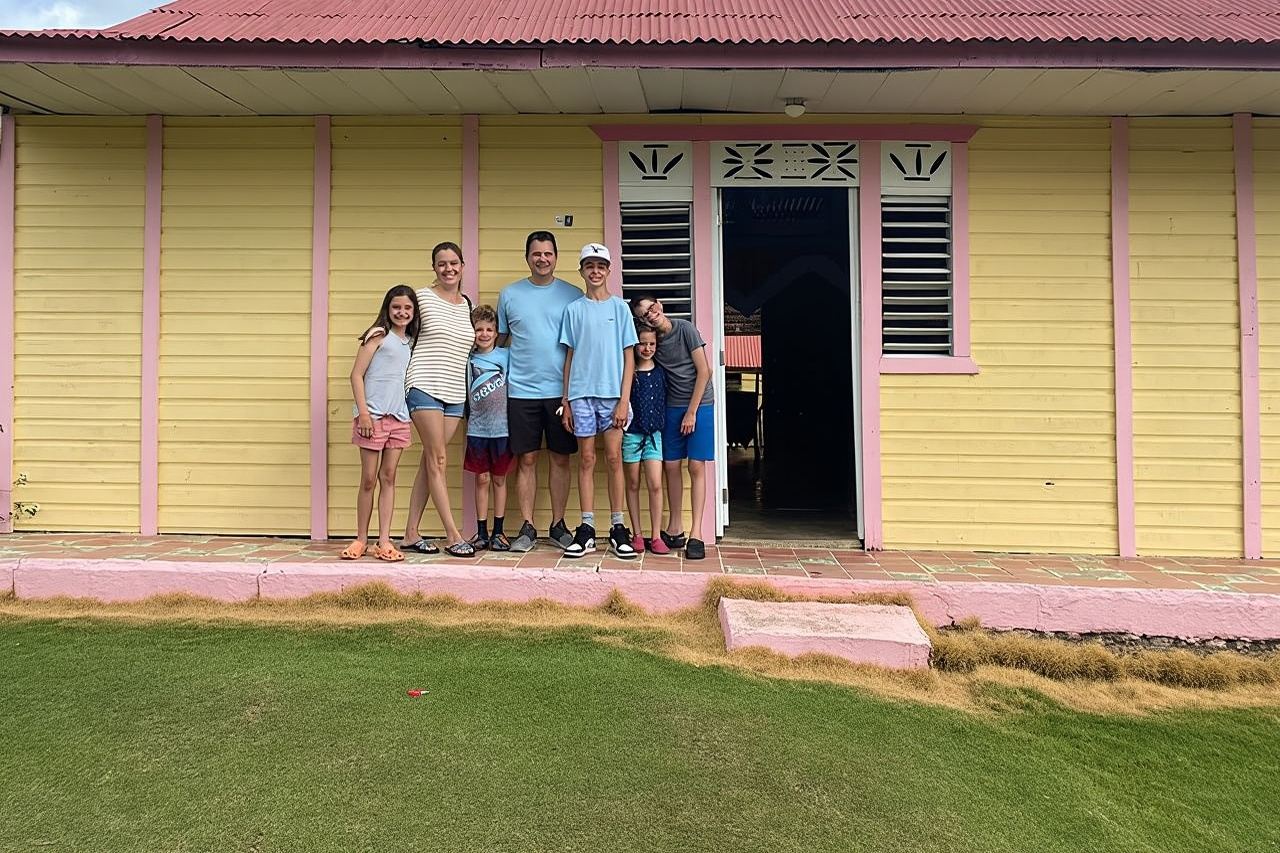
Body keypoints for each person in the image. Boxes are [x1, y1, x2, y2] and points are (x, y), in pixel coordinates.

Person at [496, 231, 583, 553]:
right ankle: (528, 526)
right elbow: (500, 341)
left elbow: (582, 344)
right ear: (527, 257)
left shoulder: (573, 295)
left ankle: (558, 525)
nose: (542, 259)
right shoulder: (510, 295)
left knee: (561, 458)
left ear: (556, 257)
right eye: (536, 254)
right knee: (527, 459)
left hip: (562, 393)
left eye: (548, 254)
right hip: (521, 391)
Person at [558, 243, 639, 559]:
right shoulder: (574, 310)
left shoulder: (620, 309)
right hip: (581, 395)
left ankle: (618, 527)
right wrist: (566, 400)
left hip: (613, 396)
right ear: (581, 271)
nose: (595, 271)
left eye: (601, 266)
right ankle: (587, 527)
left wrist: (623, 400)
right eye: (589, 266)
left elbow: (629, 357)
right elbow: (570, 355)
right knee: (587, 459)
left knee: (614, 458)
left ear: (609, 270)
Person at [401, 241, 476, 558]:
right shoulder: (421, 298)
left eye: (454, 263)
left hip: (455, 394)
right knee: (439, 459)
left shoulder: (467, 304)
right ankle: (453, 535)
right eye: (442, 263)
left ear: (462, 266)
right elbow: (397, 326)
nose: (448, 269)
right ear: (434, 267)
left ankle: (410, 532)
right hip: (424, 386)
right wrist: (376, 335)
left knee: (430, 460)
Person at [630, 294, 714, 560]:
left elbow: (705, 371)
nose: (650, 314)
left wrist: (691, 412)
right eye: (644, 315)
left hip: (700, 404)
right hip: (671, 407)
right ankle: (674, 528)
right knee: (671, 466)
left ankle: (696, 533)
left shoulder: (685, 329)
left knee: (696, 466)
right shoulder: (651, 342)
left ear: (660, 305)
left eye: (652, 308)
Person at [343, 285, 419, 562]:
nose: (402, 312)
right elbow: (356, 375)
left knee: (389, 477)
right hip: (372, 418)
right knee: (368, 479)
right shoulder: (378, 335)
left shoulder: (410, 342)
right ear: (388, 308)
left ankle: (384, 540)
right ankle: (361, 539)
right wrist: (363, 413)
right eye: (396, 307)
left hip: (399, 418)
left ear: (414, 312)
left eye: (407, 308)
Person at [463, 304, 513, 551]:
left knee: (499, 480)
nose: (484, 334)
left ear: (496, 332)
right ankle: (481, 531)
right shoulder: (468, 359)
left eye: (489, 330)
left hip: (503, 429)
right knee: (481, 479)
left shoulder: (506, 356)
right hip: (477, 429)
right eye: (478, 329)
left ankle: (499, 531)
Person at [623, 323, 669, 555]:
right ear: (635, 345)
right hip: (632, 434)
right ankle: (637, 534)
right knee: (632, 483)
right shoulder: (629, 374)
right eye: (642, 344)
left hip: (654, 436)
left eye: (652, 344)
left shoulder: (661, 372)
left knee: (655, 484)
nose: (647, 348)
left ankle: (656, 535)